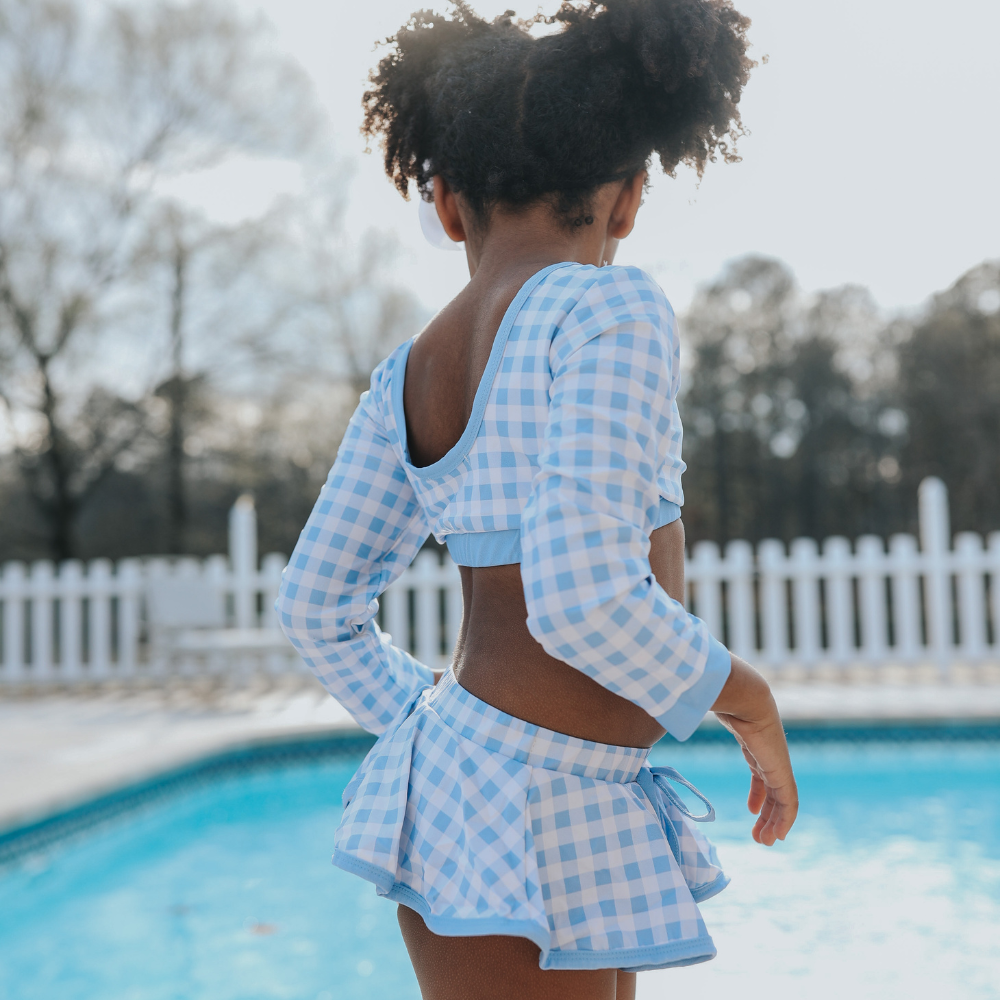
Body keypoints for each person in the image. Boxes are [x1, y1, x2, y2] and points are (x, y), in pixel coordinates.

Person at [276, 2, 798, 997]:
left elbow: (316, 609)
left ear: (446, 203)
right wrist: (749, 701)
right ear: (628, 198)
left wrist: (443, 743)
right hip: (532, 801)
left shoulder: (409, 371)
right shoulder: (607, 308)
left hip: (532, 797)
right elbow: (582, 596)